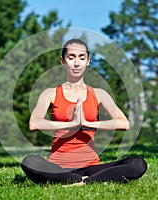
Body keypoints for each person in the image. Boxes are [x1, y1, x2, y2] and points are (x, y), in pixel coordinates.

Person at [21, 39, 147, 185]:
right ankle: (83, 181)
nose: (76, 63)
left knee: (138, 164)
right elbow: (34, 123)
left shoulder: (99, 94)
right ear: (63, 61)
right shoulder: (51, 93)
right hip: (58, 167)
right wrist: (72, 124)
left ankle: (82, 181)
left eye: (81, 58)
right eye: (71, 57)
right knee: (29, 161)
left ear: (88, 61)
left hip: (91, 167)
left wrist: (87, 123)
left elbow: (123, 123)